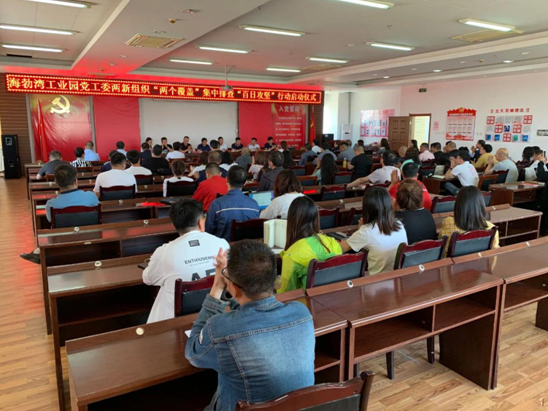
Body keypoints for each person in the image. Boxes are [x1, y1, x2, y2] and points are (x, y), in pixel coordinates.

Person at [185, 240, 315, 411]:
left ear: (234, 288)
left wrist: (217, 287)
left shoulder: (219, 329)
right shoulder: (302, 313)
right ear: (274, 279)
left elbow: (193, 353)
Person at [143, 199, 229, 323]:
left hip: (178, 321)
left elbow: (148, 279)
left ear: (174, 225)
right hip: (217, 314)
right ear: (200, 222)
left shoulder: (164, 252)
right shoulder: (222, 244)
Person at [20, 164, 100, 264]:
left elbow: (50, 221)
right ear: (76, 181)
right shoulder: (91, 196)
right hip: (91, 240)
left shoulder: (51, 204)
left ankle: (38, 252)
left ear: (56, 182)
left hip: (63, 243)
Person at [278, 196, 343, 293]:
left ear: (291, 221)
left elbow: (286, 292)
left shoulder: (291, 255)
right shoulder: (333, 243)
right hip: (334, 297)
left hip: (306, 301)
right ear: (316, 218)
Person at [340, 187, 407, 275]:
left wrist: (361, 230)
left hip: (376, 280)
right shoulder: (399, 225)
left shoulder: (367, 231)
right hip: (398, 277)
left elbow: (339, 249)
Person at [439, 186, 499, 255]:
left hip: (454, 262)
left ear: (458, 204)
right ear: (481, 205)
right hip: (481, 261)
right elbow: (494, 254)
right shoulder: (491, 228)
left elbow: (442, 248)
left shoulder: (447, 222)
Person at [206, 166, 260, 241]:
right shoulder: (254, 205)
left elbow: (208, 231)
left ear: (226, 179)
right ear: (245, 183)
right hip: (246, 246)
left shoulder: (216, 204)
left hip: (223, 247)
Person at [394, 180, 437, 245]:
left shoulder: (395, 218)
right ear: (421, 197)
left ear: (398, 199)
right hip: (430, 250)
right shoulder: (427, 214)